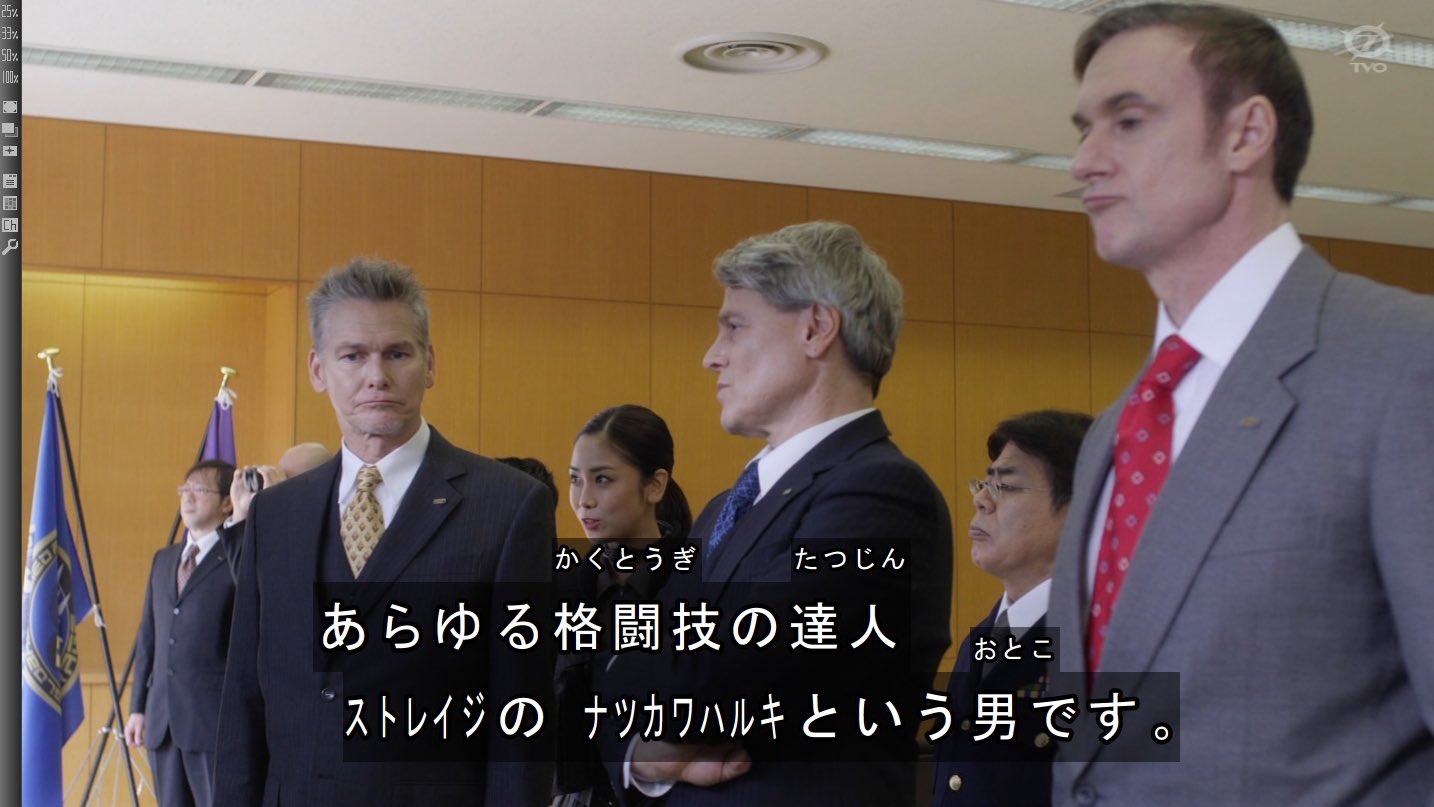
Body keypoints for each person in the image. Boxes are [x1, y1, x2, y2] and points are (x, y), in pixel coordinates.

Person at [1048, 4, 1434, 804]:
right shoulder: (1118, 428)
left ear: (1246, 135)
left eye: (1128, 122)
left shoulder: (1404, 363)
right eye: (1084, 129)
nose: (1084, 160)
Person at [599, 221, 953, 805]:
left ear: (815, 329)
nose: (712, 357)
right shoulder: (725, 508)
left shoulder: (880, 494)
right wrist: (641, 752)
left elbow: (724, 682)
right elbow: (617, 669)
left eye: (735, 327)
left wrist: (638, 675)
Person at [214, 258, 556, 806]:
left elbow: (522, 715)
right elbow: (244, 700)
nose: (377, 375)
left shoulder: (509, 505)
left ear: (429, 363)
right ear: (318, 369)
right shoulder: (275, 514)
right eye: (353, 355)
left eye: (397, 353)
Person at [934, 410, 1090, 807]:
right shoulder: (982, 638)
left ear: (1079, 507)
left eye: (1004, 486)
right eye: (984, 484)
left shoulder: (1097, 642)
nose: (981, 500)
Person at [554, 404, 692, 807]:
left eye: (603, 480)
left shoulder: (697, 588)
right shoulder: (563, 588)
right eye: (575, 480)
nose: (584, 500)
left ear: (654, 486)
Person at [126, 459, 238, 807]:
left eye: (200, 490)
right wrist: (138, 708)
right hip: (162, 720)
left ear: (227, 502)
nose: (188, 497)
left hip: (212, 720)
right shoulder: (164, 559)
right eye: (184, 489)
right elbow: (148, 639)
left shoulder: (238, 556)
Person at [222, 442, 332, 576]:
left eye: (288, 479)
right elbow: (247, 580)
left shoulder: (331, 531)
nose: (278, 483)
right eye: (279, 474)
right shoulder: (277, 521)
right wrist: (241, 512)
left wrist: (276, 506)